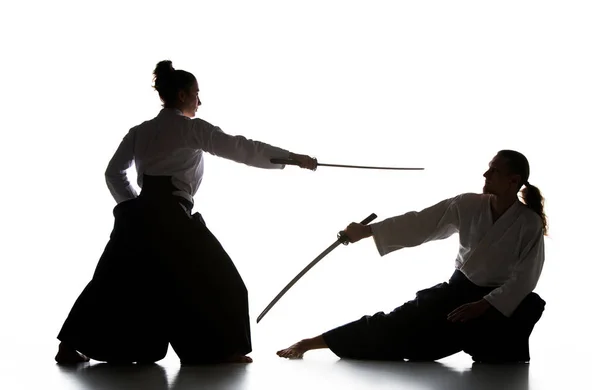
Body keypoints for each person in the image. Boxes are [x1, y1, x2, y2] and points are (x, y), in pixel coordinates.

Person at [55, 60, 318, 365]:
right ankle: (221, 350)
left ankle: (70, 348)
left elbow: (113, 173)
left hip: (139, 217)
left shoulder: (140, 132)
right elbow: (241, 148)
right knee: (219, 278)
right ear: (182, 96)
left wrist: (132, 206)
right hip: (171, 217)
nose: (199, 101)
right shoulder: (191, 129)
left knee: (114, 280)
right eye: (196, 94)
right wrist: (292, 158)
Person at [277, 150, 547, 363]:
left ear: (514, 180)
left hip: (493, 305)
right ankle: (310, 343)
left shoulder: (529, 222)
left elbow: (525, 278)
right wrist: (368, 231)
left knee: (526, 309)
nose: (486, 173)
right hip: (457, 294)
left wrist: (484, 304)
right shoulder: (468, 204)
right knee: (395, 327)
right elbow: (422, 223)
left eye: (494, 170)